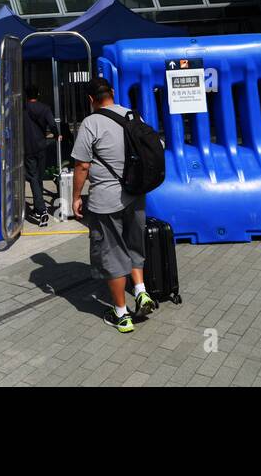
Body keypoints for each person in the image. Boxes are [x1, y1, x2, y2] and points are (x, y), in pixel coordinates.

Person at [70, 78, 156, 332]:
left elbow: (82, 165)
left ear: (90, 99)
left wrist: (76, 196)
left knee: (112, 254)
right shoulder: (132, 116)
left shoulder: (90, 123)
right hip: (136, 195)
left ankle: (121, 314)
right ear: (113, 93)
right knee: (133, 244)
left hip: (106, 201)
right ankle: (140, 291)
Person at [22, 85, 55, 227]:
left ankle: (40, 209)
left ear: (26, 95)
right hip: (41, 146)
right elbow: (52, 124)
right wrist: (58, 134)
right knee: (38, 177)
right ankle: (40, 208)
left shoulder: (22, 109)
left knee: (34, 178)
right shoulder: (44, 108)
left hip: (27, 148)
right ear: (38, 94)